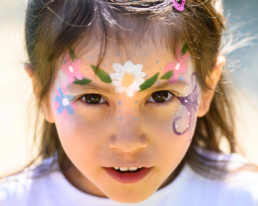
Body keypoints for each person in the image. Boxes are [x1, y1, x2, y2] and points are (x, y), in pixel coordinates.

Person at [1, 0, 258, 205]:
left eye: (161, 96)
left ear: (207, 89)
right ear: (42, 95)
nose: (128, 143)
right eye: (93, 98)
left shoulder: (243, 197)